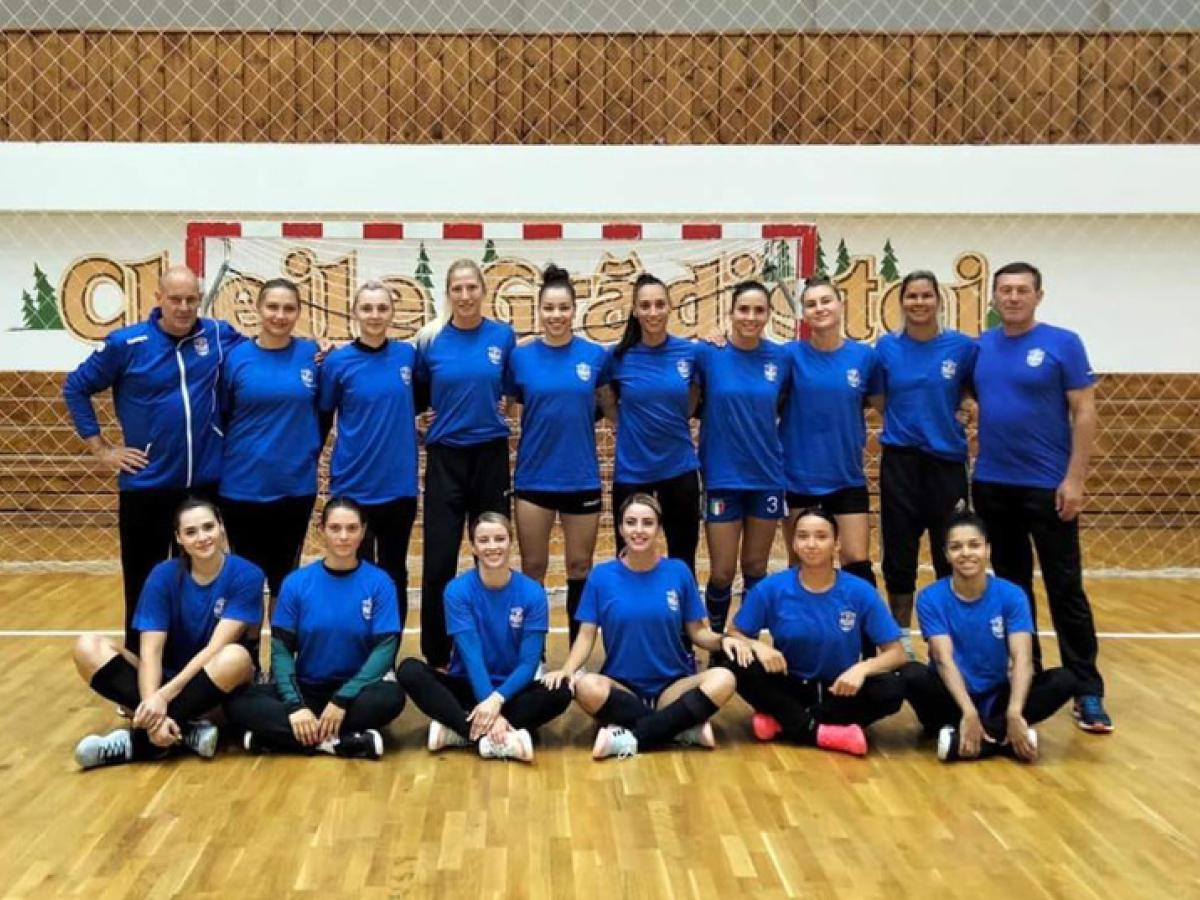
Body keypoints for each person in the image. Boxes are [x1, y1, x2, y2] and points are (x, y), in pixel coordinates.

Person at [63, 265, 245, 653]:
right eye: (175, 299)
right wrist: (102, 449)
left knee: (202, 583)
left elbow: (264, 350)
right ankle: (138, 671)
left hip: (204, 487)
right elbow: (75, 387)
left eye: (191, 299)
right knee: (144, 583)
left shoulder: (218, 334)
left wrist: (316, 353)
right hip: (147, 485)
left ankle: (196, 667)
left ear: (200, 299)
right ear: (158, 298)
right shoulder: (126, 344)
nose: (183, 307)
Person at [970, 261, 1110, 733]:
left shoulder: (1062, 343)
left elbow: (1084, 411)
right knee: (1012, 589)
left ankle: (1087, 689)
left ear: (1038, 296)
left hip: (1048, 487)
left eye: (1022, 290)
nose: (1013, 297)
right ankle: (1029, 678)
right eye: (1005, 290)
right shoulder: (980, 347)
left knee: (1064, 587)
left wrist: (1075, 479)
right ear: (994, 298)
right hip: (992, 484)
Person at [542, 494, 741, 760]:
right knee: (585, 686)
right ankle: (678, 728)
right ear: (620, 528)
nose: (639, 530)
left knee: (725, 678)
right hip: (622, 687)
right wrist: (567, 670)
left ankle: (631, 736)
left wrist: (723, 640)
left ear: (659, 529)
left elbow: (697, 632)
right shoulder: (601, 576)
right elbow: (586, 636)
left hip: (673, 687)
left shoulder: (678, 571)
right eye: (631, 522)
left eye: (647, 523)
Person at [70, 497, 261, 768]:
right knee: (87, 646)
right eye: (191, 532)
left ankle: (137, 743)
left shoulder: (247, 575)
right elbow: (151, 652)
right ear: (179, 538)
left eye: (208, 527)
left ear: (221, 527)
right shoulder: (162, 575)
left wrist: (162, 698)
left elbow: (214, 649)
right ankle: (182, 729)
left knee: (235, 657)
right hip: (165, 677)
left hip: (213, 678)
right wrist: (153, 699)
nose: (202, 538)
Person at [226, 497, 406, 759]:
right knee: (237, 702)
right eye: (335, 528)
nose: (343, 536)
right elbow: (281, 650)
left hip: (356, 692)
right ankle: (340, 741)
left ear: (363, 531)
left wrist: (342, 699)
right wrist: (295, 705)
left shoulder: (380, 583)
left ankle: (280, 739)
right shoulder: (296, 583)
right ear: (321, 530)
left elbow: (385, 651)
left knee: (392, 697)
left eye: (352, 528)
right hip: (307, 688)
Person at [726, 507, 907, 757]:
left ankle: (785, 722)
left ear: (837, 543)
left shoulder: (860, 591)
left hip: (839, 690)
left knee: (892, 688)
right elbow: (733, 633)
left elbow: (897, 653)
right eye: (803, 536)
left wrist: (862, 669)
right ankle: (821, 732)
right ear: (794, 543)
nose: (811, 544)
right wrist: (757, 645)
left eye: (821, 537)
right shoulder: (771, 588)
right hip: (789, 684)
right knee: (732, 659)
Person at [901, 511, 1077, 762]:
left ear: (988, 550)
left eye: (974, 545)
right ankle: (1002, 739)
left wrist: (1014, 712)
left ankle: (969, 740)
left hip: (997, 697)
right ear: (946, 554)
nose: (966, 553)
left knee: (1065, 680)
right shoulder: (930, 597)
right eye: (956, 547)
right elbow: (943, 659)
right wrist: (968, 711)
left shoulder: (1012, 595)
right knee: (911, 674)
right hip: (951, 697)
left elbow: (1023, 658)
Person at [396, 513, 573, 762]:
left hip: (511, 690)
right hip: (468, 685)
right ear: (473, 547)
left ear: (510, 542)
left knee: (561, 692)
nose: (492, 546)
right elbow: (472, 657)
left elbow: (528, 663)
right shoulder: (457, 590)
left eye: (499, 539)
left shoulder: (532, 593)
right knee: (409, 670)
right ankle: (496, 736)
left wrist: (497, 700)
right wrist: (491, 706)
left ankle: (460, 730)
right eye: (484, 540)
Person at [415, 260, 515, 669]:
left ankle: (492, 651)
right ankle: (437, 655)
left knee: (491, 557)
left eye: (472, 287)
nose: (465, 295)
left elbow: (512, 390)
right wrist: (420, 419)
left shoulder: (503, 336)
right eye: (457, 288)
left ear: (483, 290)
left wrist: (507, 407)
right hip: (446, 458)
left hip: (491, 455)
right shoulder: (430, 340)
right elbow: (418, 396)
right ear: (448, 293)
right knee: (439, 559)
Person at [218, 278, 323, 661]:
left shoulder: (312, 355)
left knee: (284, 580)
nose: (280, 315)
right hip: (241, 488)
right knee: (246, 583)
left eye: (288, 308)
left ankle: (280, 668)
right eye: (273, 307)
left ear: (299, 312)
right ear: (258, 309)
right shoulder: (236, 359)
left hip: (294, 487)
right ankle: (245, 667)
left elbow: (323, 412)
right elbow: (223, 415)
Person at [874, 271, 978, 654]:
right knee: (899, 554)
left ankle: (948, 639)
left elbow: (971, 392)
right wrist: (908, 421)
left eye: (926, 295)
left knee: (950, 551)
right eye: (912, 296)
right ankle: (900, 639)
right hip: (900, 462)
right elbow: (880, 399)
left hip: (946, 463)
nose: (919, 302)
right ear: (902, 301)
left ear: (938, 300)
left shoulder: (962, 348)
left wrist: (965, 406)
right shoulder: (886, 348)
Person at [507, 264, 609, 644]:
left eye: (563, 307)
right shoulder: (520, 358)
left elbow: (608, 407)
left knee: (580, 566)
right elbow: (503, 408)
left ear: (574, 310)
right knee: (533, 567)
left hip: (580, 477)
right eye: (549, 308)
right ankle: (532, 656)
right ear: (539, 310)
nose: (556, 315)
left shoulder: (595, 356)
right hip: (534, 477)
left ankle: (576, 661)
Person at [693, 280, 790, 634]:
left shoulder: (781, 358)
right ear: (731, 312)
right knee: (722, 571)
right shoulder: (708, 354)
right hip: (722, 475)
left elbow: (784, 404)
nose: (750, 317)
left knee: (755, 567)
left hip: (766, 475)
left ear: (769, 314)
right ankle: (718, 642)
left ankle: (745, 640)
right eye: (743, 309)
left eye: (758, 310)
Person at [319, 282, 420, 616]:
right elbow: (323, 416)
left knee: (394, 572)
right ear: (354, 313)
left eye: (382, 308)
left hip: (398, 486)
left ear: (392, 313)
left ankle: (388, 647)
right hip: (353, 485)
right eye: (367, 308)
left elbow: (424, 399)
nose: (374, 315)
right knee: (352, 572)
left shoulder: (408, 356)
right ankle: (352, 644)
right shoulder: (336, 362)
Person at [779, 278, 883, 589]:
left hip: (846, 476)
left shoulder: (864, 357)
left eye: (826, 301)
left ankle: (859, 623)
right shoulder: (788, 357)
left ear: (840, 304)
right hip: (798, 477)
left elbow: (886, 405)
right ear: (804, 313)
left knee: (856, 560)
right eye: (811, 304)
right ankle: (798, 622)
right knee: (801, 561)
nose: (819, 308)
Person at [599, 274, 701, 574]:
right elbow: (607, 401)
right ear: (634, 310)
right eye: (645, 305)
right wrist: (629, 423)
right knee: (628, 559)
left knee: (683, 560)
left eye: (659, 304)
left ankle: (681, 607)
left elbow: (692, 401)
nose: (653, 312)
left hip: (679, 469)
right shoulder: (617, 357)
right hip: (633, 471)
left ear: (670, 307)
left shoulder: (691, 353)